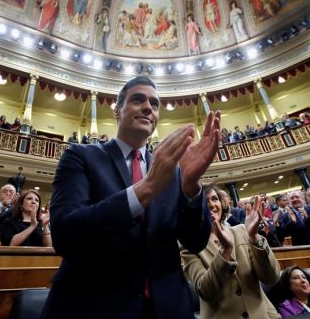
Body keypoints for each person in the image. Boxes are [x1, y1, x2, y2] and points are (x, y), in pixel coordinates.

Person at [41, 76, 221, 319]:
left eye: (155, 104)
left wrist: (191, 187)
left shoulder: (172, 171)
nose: (148, 107)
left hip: (166, 307)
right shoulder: (80, 156)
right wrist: (145, 188)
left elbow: (196, 241)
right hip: (93, 304)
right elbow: (64, 234)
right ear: (117, 111)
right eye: (138, 100)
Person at [181, 186, 281, 319]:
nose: (211, 205)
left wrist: (254, 238)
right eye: (204, 201)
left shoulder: (242, 230)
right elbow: (207, 292)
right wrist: (225, 251)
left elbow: (271, 278)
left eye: (214, 199)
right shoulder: (187, 244)